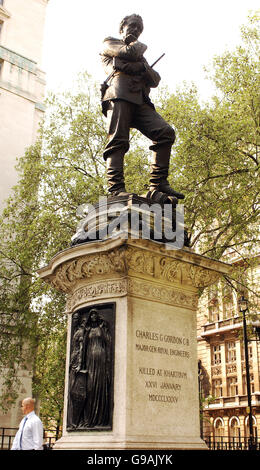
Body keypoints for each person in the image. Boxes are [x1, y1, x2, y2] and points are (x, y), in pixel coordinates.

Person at [100, 13, 184, 200]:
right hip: (119, 95)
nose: (137, 30)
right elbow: (130, 52)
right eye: (133, 26)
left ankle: (158, 185)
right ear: (122, 27)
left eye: (140, 28)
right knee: (118, 140)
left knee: (165, 132)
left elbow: (155, 79)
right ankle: (115, 189)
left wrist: (140, 68)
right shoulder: (110, 42)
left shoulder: (137, 55)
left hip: (140, 100)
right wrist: (138, 55)